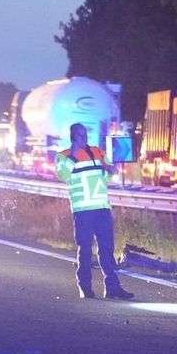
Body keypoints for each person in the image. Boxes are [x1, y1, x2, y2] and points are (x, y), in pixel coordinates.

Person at [55, 123, 134, 299]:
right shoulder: (63, 156)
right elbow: (63, 176)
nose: (85, 138)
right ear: (73, 137)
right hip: (83, 210)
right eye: (80, 135)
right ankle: (85, 286)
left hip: (102, 208)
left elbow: (106, 175)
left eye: (85, 135)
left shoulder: (97, 152)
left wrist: (112, 170)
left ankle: (112, 288)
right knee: (85, 249)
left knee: (107, 249)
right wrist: (73, 156)